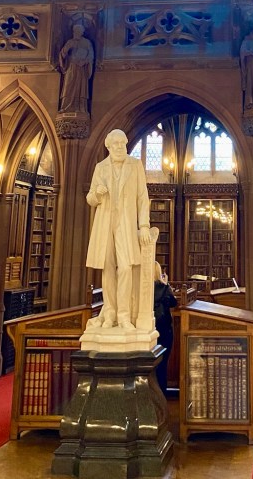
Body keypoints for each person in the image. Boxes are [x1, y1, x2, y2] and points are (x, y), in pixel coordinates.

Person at [85, 129, 152, 330]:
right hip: (105, 223)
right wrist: (97, 194)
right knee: (107, 268)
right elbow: (90, 198)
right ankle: (110, 314)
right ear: (109, 147)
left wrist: (144, 225)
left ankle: (124, 316)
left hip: (126, 223)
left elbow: (142, 197)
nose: (121, 147)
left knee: (125, 268)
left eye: (123, 143)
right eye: (116, 144)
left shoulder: (135, 165)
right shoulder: (100, 167)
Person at [58, 23, 94, 114]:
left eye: (79, 31)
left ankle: (80, 108)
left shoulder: (87, 42)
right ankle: (65, 107)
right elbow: (62, 54)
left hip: (81, 68)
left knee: (80, 88)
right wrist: (66, 49)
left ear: (82, 32)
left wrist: (85, 61)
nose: (77, 33)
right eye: (76, 31)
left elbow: (91, 55)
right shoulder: (70, 42)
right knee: (68, 86)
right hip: (71, 67)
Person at [153, 261, 177, 395]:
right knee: (162, 365)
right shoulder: (164, 287)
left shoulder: (143, 289)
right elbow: (173, 302)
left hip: (150, 329)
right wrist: (166, 284)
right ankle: (161, 394)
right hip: (164, 330)